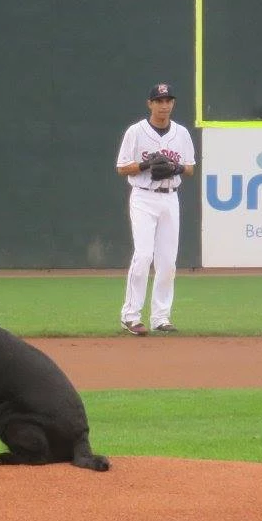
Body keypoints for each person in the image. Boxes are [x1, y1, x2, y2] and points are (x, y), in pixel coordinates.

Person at [115, 82, 196, 335]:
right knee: (143, 256)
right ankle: (130, 315)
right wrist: (146, 165)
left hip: (170, 197)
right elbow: (121, 168)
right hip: (143, 197)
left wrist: (176, 168)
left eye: (168, 101)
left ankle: (161, 317)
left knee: (167, 261)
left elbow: (190, 168)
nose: (164, 105)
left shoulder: (181, 133)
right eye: (159, 101)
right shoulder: (136, 132)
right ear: (150, 104)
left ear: (172, 103)